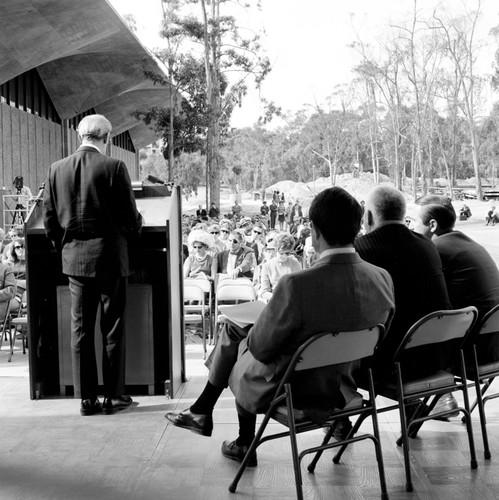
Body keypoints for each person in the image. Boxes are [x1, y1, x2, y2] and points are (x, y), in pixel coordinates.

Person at [165, 187, 395, 466]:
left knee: (237, 343)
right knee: (238, 335)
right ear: (358, 227)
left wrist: (256, 325)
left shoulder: (297, 285)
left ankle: (239, 438)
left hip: (295, 390)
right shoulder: (382, 278)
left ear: (314, 230)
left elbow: (261, 349)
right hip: (344, 387)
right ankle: (207, 415)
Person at [42, 114, 142, 416]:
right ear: (107, 138)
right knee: (112, 329)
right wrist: (137, 225)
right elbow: (128, 217)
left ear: (79, 135)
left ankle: (86, 400)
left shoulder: (56, 169)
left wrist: (65, 246)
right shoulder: (114, 167)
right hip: (110, 259)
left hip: (75, 261)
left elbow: (49, 219)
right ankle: (113, 397)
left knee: (81, 329)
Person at [355, 186, 450, 382]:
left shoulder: (361, 250)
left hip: (391, 363)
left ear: (369, 217)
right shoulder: (428, 246)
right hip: (437, 356)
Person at [414, 196, 499, 416]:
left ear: (432, 225)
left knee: (414, 331)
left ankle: (441, 395)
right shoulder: (470, 244)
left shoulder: (435, 249)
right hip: (493, 345)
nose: (412, 228)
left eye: (415, 222)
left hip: (472, 351)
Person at [258, 233, 301, 302]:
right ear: (275, 250)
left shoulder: (295, 263)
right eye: (281, 253)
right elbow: (264, 292)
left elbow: (299, 287)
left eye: (287, 253)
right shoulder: (267, 266)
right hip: (274, 300)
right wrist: (278, 298)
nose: (284, 256)